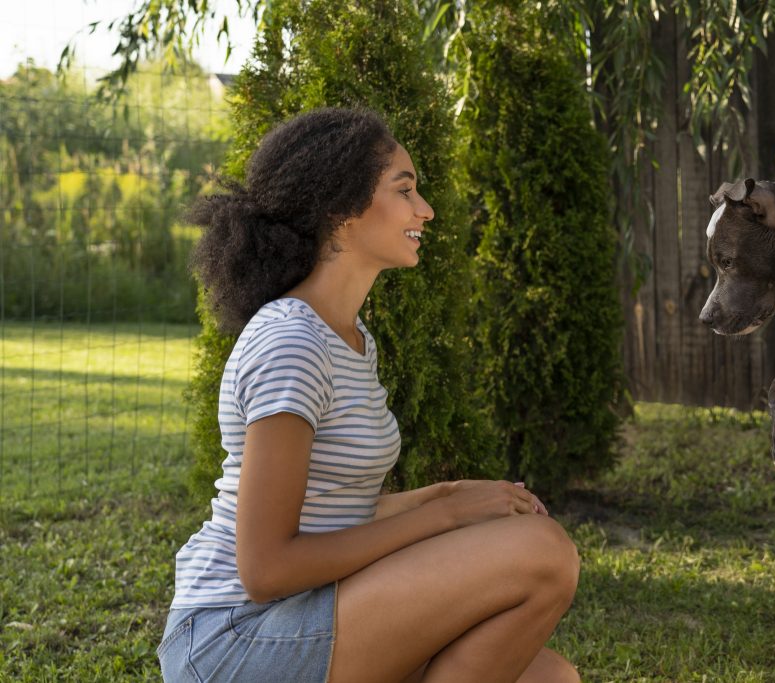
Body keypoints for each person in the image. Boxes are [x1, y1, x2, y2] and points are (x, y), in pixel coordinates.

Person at [157, 107, 581, 683]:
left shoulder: (351, 340)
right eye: (404, 190)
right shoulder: (292, 342)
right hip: (233, 636)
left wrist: (449, 495)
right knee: (543, 554)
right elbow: (266, 566)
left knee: (550, 679)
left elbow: (334, 510)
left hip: (300, 614)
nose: (424, 209)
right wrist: (448, 516)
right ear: (340, 210)